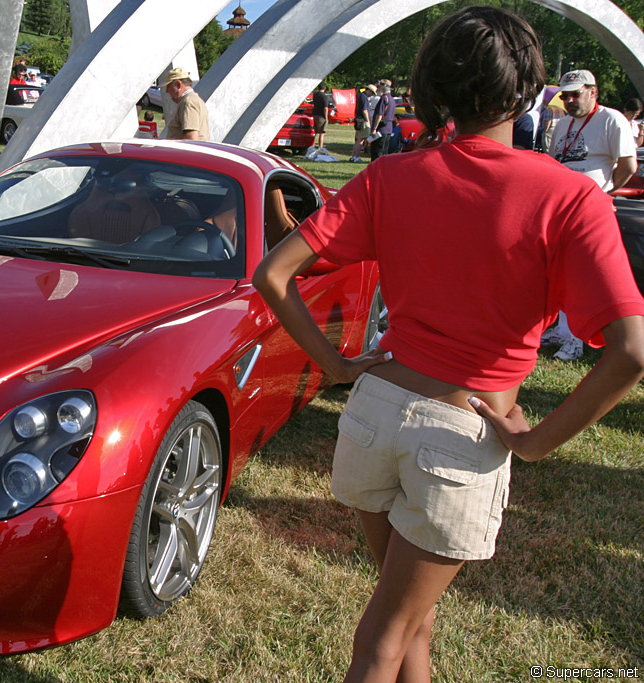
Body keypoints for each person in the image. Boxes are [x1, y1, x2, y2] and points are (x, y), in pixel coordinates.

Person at [252, 7, 644, 682]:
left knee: (410, 621)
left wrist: (335, 366)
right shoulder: (570, 197)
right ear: (528, 91)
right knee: (387, 632)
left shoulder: (389, 176)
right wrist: (537, 440)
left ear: (434, 86)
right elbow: (631, 350)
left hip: (374, 414)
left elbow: (273, 272)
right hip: (463, 434)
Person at [545, 69, 639, 360]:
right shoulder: (563, 125)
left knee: (583, 273)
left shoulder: (611, 119)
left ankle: (576, 337)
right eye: (566, 95)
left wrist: (605, 193)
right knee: (558, 268)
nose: (570, 100)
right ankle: (560, 330)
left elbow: (628, 164)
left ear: (592, 92)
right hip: (562, 206)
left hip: (591, 207)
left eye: (576, 94)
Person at [161, 67, 210, 141]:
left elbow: (191, 138)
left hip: (188, 152)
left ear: (178, 85)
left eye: (168, 86)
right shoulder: (195, 99)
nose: (167, 91)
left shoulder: (188, 102)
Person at [369, 79, 396, 160]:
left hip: (381, 129)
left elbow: (379, 115)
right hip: (389, 128)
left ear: (383, 89)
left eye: (379, 88)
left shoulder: (384, 98)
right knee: (384, 153)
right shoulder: (392, 100)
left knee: (377, 152)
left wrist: (374, 129)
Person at [307, 81, 335, 159]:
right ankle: (320, 148)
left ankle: (312, 146)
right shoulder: (324, 97)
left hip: (314, 114)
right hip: (321, 116)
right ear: (324, 89)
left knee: (315, 132)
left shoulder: (315, 95)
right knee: (322, 133)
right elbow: (325, 108)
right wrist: (326, 117)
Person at [350, 84, 376, 163]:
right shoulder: (364, 98)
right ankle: (356, 157)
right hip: (363, 120)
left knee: (358, 139)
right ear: (370, 91)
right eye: (372, 93)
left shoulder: (360, 95)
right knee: (361, 140)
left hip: (358, 119)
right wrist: (368, 120)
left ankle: (353, 156)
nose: (372, 95)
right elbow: (364, 110)